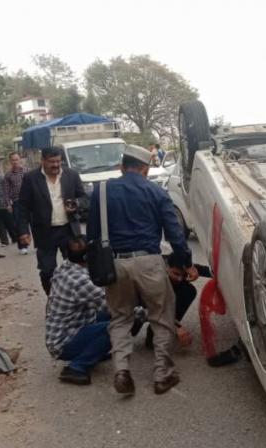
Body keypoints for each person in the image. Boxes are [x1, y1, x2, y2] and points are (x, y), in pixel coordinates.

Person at [87, 144, 197, 396]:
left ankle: (122, 369)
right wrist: (185, 262)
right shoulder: (155, 191)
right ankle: (162, 375)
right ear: (145, 169)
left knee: (120, 318)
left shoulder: (101, 192)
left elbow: (92, 235)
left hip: (115, 264)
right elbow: (175, 234)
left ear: (121, 167)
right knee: (161, 316)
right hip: (149, 263)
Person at [17, 148, 87, 295]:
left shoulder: (71, 175)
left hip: (69, 230)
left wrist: (76, 203)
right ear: (42, 161)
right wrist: (23, 231)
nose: (56, 165)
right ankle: (54, 299)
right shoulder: (31, 178)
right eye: (51, 162)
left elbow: (84, 198)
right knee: (47, 270)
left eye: (58, 161)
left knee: (77, 268)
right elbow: (22, 206)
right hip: (45, 233)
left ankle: (76, 300)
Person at [45, 236, 111, 385]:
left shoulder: (65, 267)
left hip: (63, 333)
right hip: (63, 344)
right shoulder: (80, 281)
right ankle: (76, 367)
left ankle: (94, 351)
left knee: (104, 316)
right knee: (116, 327)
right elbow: (113, 306)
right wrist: (143, 313)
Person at [4, 152, 29, 255]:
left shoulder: (27, 172)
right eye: (13, 160)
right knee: (19, 224)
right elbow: (5, 191)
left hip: (29, 201)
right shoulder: (8, 175)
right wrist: (8, 204)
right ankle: (22, 246)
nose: (15, 161)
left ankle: (38, 243)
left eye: (17, 159)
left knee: (34, 222)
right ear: (10, 161)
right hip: (16, 202)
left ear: (20, 159)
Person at [0, 161, 18, 247]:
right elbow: (8, 189)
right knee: (10, 222)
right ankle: (15, 237)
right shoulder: (3, 177)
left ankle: (4, 241)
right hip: (5, 203)